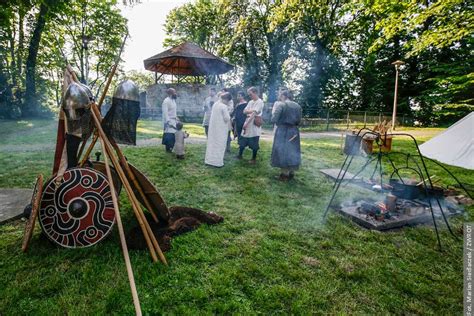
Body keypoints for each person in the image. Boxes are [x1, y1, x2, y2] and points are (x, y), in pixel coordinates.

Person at [271, 90, 302, 181]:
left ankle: (284, 175)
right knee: (292, 151)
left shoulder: (281, 105)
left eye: (280, 96)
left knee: (283, 151)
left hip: (283, 131)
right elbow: (299, 121)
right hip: (294, 131)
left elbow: (274, 119)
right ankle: (291, 172)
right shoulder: (298, 106)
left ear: (284, 96)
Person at [205, 92, 232, 167]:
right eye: (228, 101)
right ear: (226, 99)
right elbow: (227, 118)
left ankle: (209, 160)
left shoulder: (215, 104)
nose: (228, 103)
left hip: (213, 128)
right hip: (221, 128)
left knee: (212, 144)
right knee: (220, 144)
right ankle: (217, 162)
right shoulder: (223, 106)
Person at [238, 86, 264, 164]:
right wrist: (252, 110)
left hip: (253, 124)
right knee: (243, 140)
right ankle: (239, 155)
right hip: (248, 121)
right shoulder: (250, 102)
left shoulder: (260, 102)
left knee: (254, 141)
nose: (249, 96)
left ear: (255, 93)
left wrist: (246, 123)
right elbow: (244, 111)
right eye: (249, 95)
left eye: (250, 94)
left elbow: (254, 114)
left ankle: (253, 159)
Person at [161, 88, 178, 152]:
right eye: (174, 92)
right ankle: (168, 148)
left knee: (173, 134)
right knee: (169, 135)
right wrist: (167, 121)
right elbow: (165, 112)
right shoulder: (166, 101)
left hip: (174, 120)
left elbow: (174, 111)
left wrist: (176, 117)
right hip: (169, 120)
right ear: (170, 94)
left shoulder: (173, 100)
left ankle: (172, 147)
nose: (175, 94)